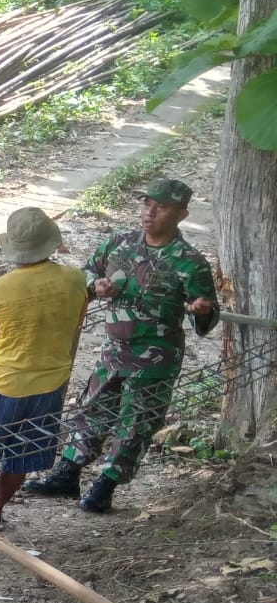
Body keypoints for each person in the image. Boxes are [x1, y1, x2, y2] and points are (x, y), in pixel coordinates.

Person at [25, 178, 218, 513]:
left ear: (181, 214)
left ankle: (105, 486)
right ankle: (67, 474)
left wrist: (202, 310)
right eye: (147, 204)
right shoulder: (119, 243)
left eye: (161, 207)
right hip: (113, 350)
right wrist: (95, 285)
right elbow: (87, 272)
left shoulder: (189, 262)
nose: (150, 212)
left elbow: (207, 312)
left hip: (155, 358)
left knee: (137, 422)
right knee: (92, 410)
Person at [0, 208, 88, 531]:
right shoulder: (76, 279)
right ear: (51, 243)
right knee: (24, 452)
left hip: (3, 383)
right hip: (52, 382)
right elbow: (77, 321)